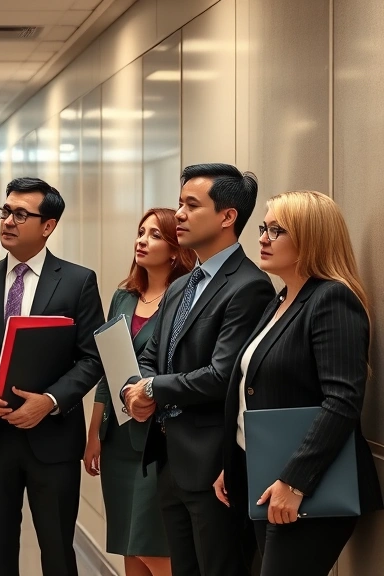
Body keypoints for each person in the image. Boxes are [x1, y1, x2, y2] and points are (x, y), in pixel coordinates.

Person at [213, 190, 382, 576]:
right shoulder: (282, 299)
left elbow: (342, 400)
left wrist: (295, 480)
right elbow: (249, 390)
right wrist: (234, 462)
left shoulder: (332, 299)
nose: (262, 238)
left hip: (306, 484)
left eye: (277, 230)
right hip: (264, 474)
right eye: (263, 228)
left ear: (311, 239)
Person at [121, 164, 276, 576]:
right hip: (170, 458)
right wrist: (134, 391)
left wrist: (152, 390)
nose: (181, 215)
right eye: (180, 204)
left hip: (214, 466)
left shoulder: (248, 285)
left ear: (228, 217)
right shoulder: (181, 285)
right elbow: (149, 356)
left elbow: (223, 373)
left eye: (192, 205)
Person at [0, 177, 105, 576]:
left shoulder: (77, 281)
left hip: (51, 440)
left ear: (48, 225)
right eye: (5, 211)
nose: (8, 221)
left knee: (57, 551)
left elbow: (92, 358)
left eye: (21, 214)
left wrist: (51, 401)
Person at [84, 208, 195, 576]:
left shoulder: (184, 300)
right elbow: (108, 369)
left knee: (153, 544)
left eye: (155, 235)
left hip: (156, 440)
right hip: (118, 438)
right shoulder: (124, 297)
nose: (142, 240)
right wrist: (94, 434)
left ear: (176, 249)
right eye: (141, 232)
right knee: (129, 545)